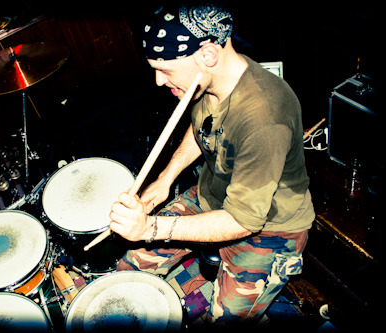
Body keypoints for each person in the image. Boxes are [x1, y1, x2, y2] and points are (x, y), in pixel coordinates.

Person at [109, 1, 315, 329]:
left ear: (207, 54)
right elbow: (201, 126)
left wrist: (149, 227)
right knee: (128, 269)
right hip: (213, 196)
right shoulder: (211, 81)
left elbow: (243, 221)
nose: (159, 81)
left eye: (165, 69)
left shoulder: (264, 117)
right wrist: (165, 180)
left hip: (268, 230)